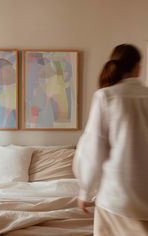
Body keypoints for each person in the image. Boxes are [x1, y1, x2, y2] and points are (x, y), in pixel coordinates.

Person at [73, 44, 148, 236]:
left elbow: (93, 149)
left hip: (116, 195)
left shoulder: (106, 96)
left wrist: (85, 190)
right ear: (138, 67)